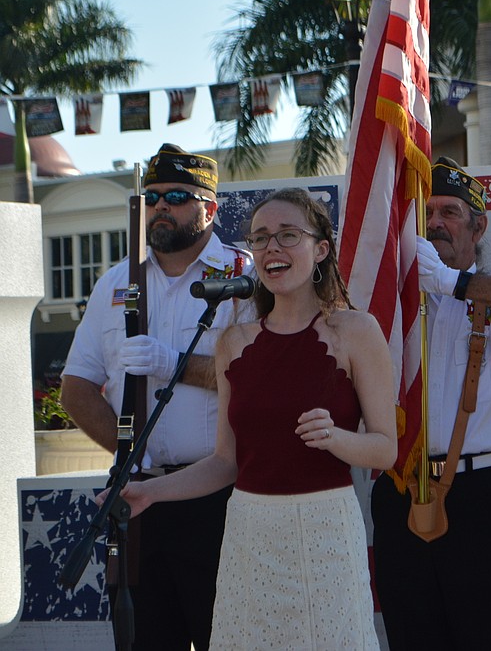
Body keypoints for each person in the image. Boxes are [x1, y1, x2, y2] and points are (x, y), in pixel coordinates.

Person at [101, 187, 397, 650]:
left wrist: (337, 438)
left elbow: (386, 447)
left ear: (321, 249)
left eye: (287, 235)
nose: (272, 248)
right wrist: (148, 493)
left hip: (324, 531)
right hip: (248, 534)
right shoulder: (233, 342)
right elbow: (226, 462)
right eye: (260, 239)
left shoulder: (356, 331)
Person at [61, 144, 252, 651]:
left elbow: (261, 380)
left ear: (209, 208)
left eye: (176, 197)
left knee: (227, 638)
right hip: (137, 496)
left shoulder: (244, 277)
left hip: (221, 496)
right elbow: (77, 389)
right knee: (144, 637)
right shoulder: (116, 282)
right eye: (152, 197)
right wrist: (131, 453)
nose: (160, 207)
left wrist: (176, 364)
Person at [371, 156, 491, 651]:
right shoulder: (391, 305)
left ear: (479, 226)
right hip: (401, 487)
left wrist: (454, 285)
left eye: (449, 212)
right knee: (411, 636)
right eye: (426, 214)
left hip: (482, 493)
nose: (434, 225)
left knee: (488, 636)